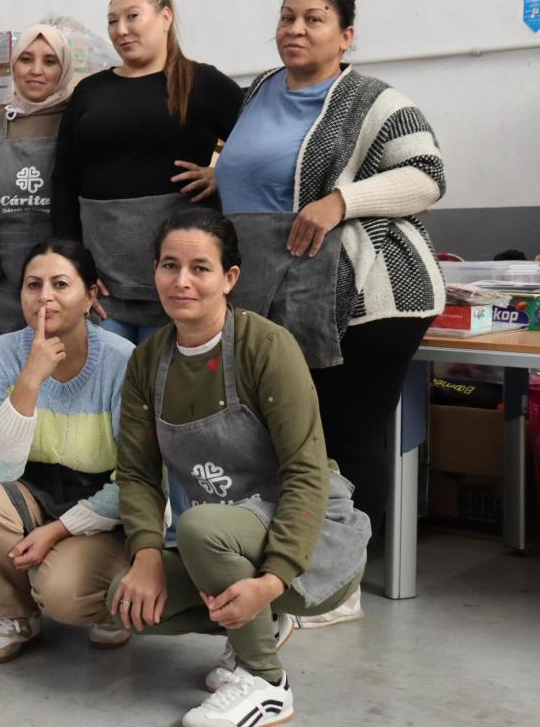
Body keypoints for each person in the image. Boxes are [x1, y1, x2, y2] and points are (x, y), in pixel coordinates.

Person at [215, 0, 444, 623]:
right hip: (281, 290)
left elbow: (427, 176)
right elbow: (256, 170)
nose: (295, 29)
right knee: (293, 435)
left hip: (370, 295)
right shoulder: (260, 89)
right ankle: (303, 562)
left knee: (345, 435)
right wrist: (217, 174)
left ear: (345, 35)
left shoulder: (373, 99)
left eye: (314, 19)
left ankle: (341, 586)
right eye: (287, 16)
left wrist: (343, 201)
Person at [108, 210, 369, 727]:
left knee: (202, 526)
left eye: (200, 268)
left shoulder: (266, 347)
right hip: (228, 540)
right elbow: (136, 474)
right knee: (128, 603)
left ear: (229, 278)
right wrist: (144, 554)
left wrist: (272, 582)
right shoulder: (147, 361)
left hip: (311, 537)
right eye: (169, 265)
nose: (182, 281)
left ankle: (267, 682)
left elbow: (306, 473)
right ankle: (260, 627)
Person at [0, 239, 136, 661]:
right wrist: (30, 382)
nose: (45, 297)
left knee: (66, 597)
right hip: (29, 492)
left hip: (105, 509)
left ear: (91, 295)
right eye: (33, 285)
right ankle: (16, 615)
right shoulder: (1, 354)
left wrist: (57, 531)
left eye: (61, 284)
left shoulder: (122, 360)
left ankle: (107, 597)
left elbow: (134, 479)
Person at [51, 0, 242, 344]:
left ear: (165, 17)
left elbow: (262, 149)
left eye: (132, 17)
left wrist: (223, 174)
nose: (120, 30)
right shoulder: (89, 91)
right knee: (112, 392)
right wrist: (74, 267)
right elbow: (63, 182)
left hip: (180, 287)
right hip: (105, 287)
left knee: (171, 391)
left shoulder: (202, 82)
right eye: (112, 21)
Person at [0, 24, 77, 341]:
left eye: (50, 61)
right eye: (26, 59)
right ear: (13, 65)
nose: (36, 71)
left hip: (65, 290)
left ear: (64, 68)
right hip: (3, 291)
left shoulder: (79, 122)